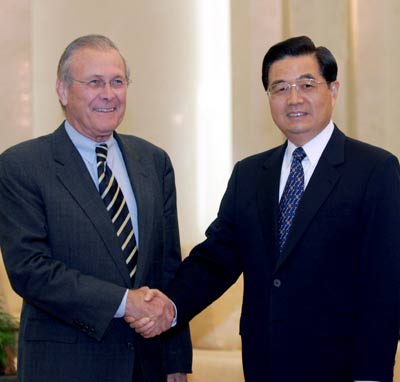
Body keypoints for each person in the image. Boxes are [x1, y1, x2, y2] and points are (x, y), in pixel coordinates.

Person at [129, 36, 400, 382]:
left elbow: (385, 285)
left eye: (306, 84)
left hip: (340, 367)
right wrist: (169, 306)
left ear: (332, 90)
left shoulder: (374, 170)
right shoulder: (250, 175)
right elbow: (215, 260)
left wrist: (372, 376)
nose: (294, 98)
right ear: (269, 97)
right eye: (280, 88)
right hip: (264, 364)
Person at [0, 34, 191, 382]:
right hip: (64, 366)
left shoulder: (153, 161)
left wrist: (176, 361)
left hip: (146, 366)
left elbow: (168, 266)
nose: (109, 94)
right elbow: (29, 269)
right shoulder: (22, 165)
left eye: (118, 82)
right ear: (62, 90)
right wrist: (123, 301)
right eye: (94, 83)